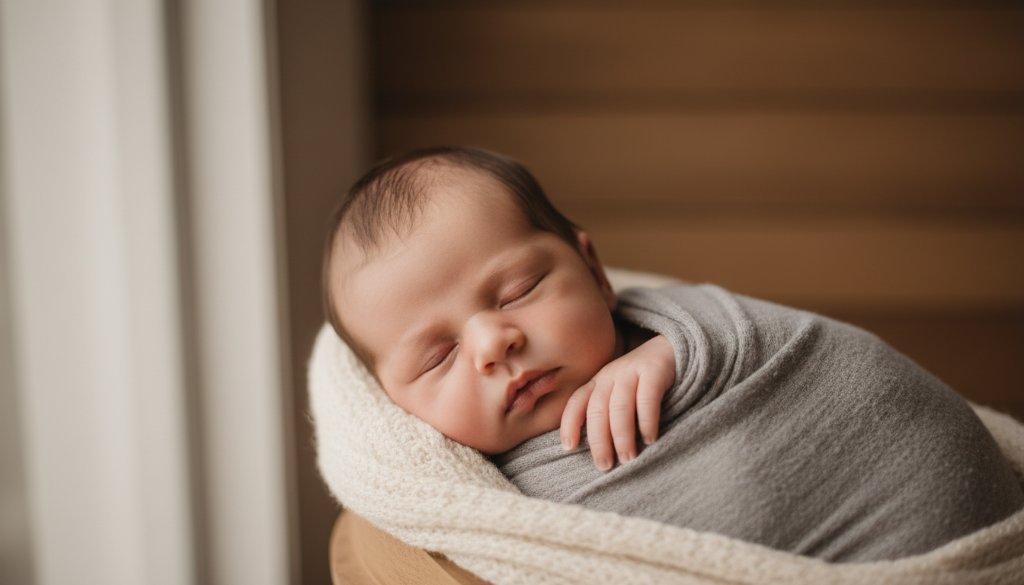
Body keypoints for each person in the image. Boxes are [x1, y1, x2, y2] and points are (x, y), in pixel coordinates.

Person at [322, 146, 1023, 562]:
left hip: (934, 517)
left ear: (595, 271)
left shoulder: (681, 328)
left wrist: (674, 350)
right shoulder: (482, 502)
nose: (491, 342)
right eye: (438, 356)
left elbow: (793, 349)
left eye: (519, 289)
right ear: (394, 402)